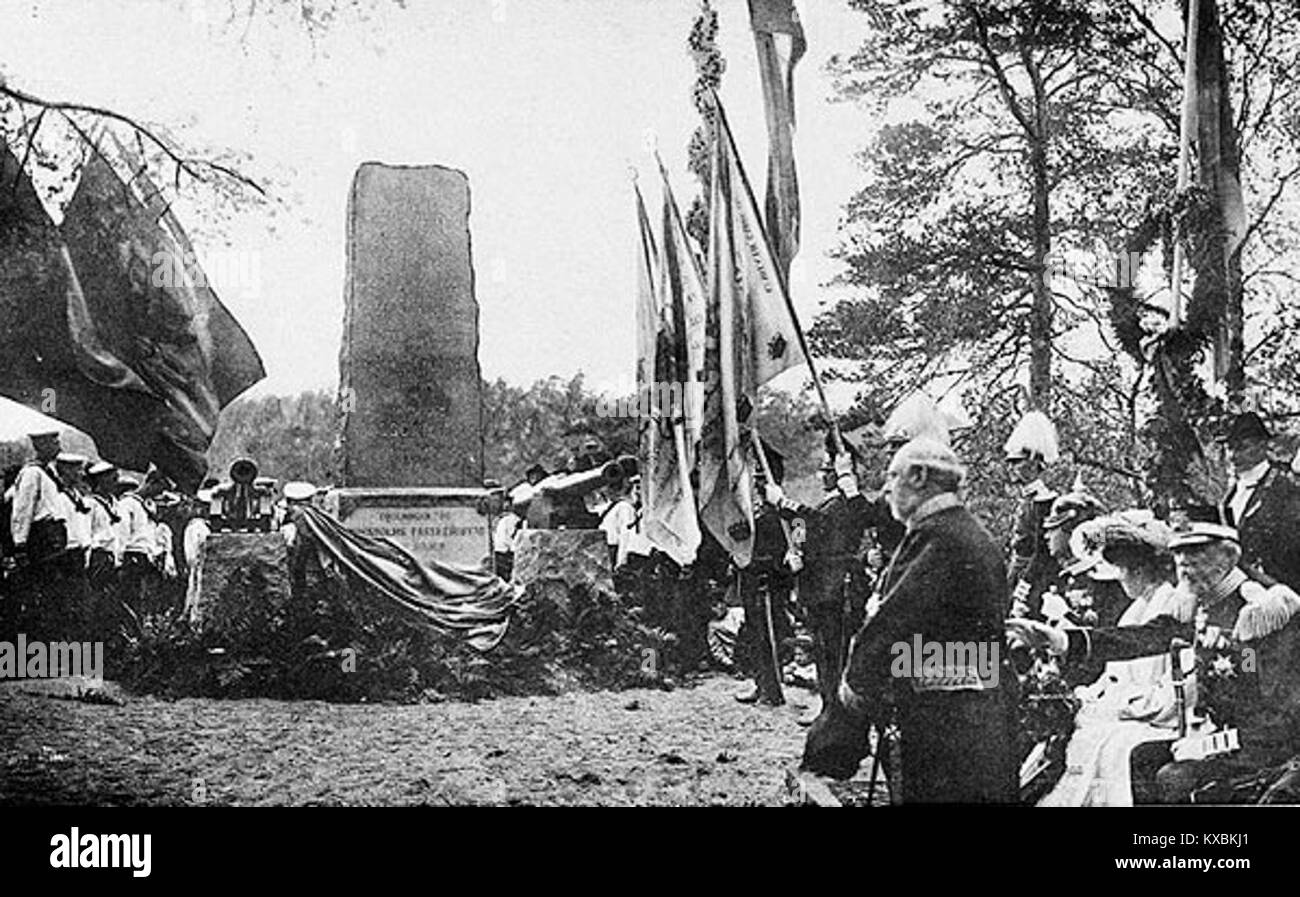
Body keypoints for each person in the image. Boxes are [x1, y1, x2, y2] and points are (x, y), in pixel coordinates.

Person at [1009, 522, 1300, 803]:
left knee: (1171, 778)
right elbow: (1143, 638)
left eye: (1196, 552)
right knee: (1136, 759)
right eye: (1179, 553)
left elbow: (1272, 706)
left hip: (1262, 745)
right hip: (1215, 732)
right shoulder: (1198, 604)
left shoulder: (1260, 611)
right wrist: (1062, 639)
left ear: (1227, 555)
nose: (1183, 563)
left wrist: (1208, 747)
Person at [804, 437, 1018, 803]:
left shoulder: (938, 536)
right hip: (974, 707)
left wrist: (855, 688)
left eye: (893, 475)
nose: (887, 487)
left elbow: (893, 623)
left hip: (945, 717)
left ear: (918, 476)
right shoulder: (965, 531)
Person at [765, 436, 898, 726]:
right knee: (823, 650)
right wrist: (796, 549)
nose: (821, 475)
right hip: (821, 585)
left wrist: (784, 504)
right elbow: (804, 529)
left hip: (839, 587)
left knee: (833, 653)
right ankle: (827, 705)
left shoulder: (844, 504)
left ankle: (834, 711)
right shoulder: (830, 500)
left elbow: (819, 524)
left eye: (827, 469)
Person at [734, 444, 795, 707]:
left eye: (761, 476)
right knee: (755, 634)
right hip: (751, 579)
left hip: (769, 582)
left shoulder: (781, 511)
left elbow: (793, 538)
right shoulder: (755, 510)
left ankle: (772, 690)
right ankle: (761, 684)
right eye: (755, 475)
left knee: (770, 635)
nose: (756, 481)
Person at [1217, 411, 1300, 592]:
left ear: (1263, 445)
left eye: (1241, 447)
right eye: (1229, 447)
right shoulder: (1229, 495)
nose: (1232, 455)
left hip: (1282, 590)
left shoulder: (1283, 487)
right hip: (1237, 590)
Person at [9, 429, 71, 640]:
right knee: (42, 594)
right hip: (42, 538)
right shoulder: (31, 473)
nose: (59, 447)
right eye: (54, 443)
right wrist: (20, 544)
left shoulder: (48, 473)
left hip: (55, 538)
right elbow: (22, 510)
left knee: (54, 595)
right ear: (40, 446)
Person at [1004, 410, 1062, 619]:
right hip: (1017, 570)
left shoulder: (1044, 501)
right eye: (1011, 462)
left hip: (1035, 577)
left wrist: (1025, 584)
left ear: (1033, 463)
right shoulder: (1026, 498)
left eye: (1017, 462)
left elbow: (1041, 552)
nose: (1013, 468)